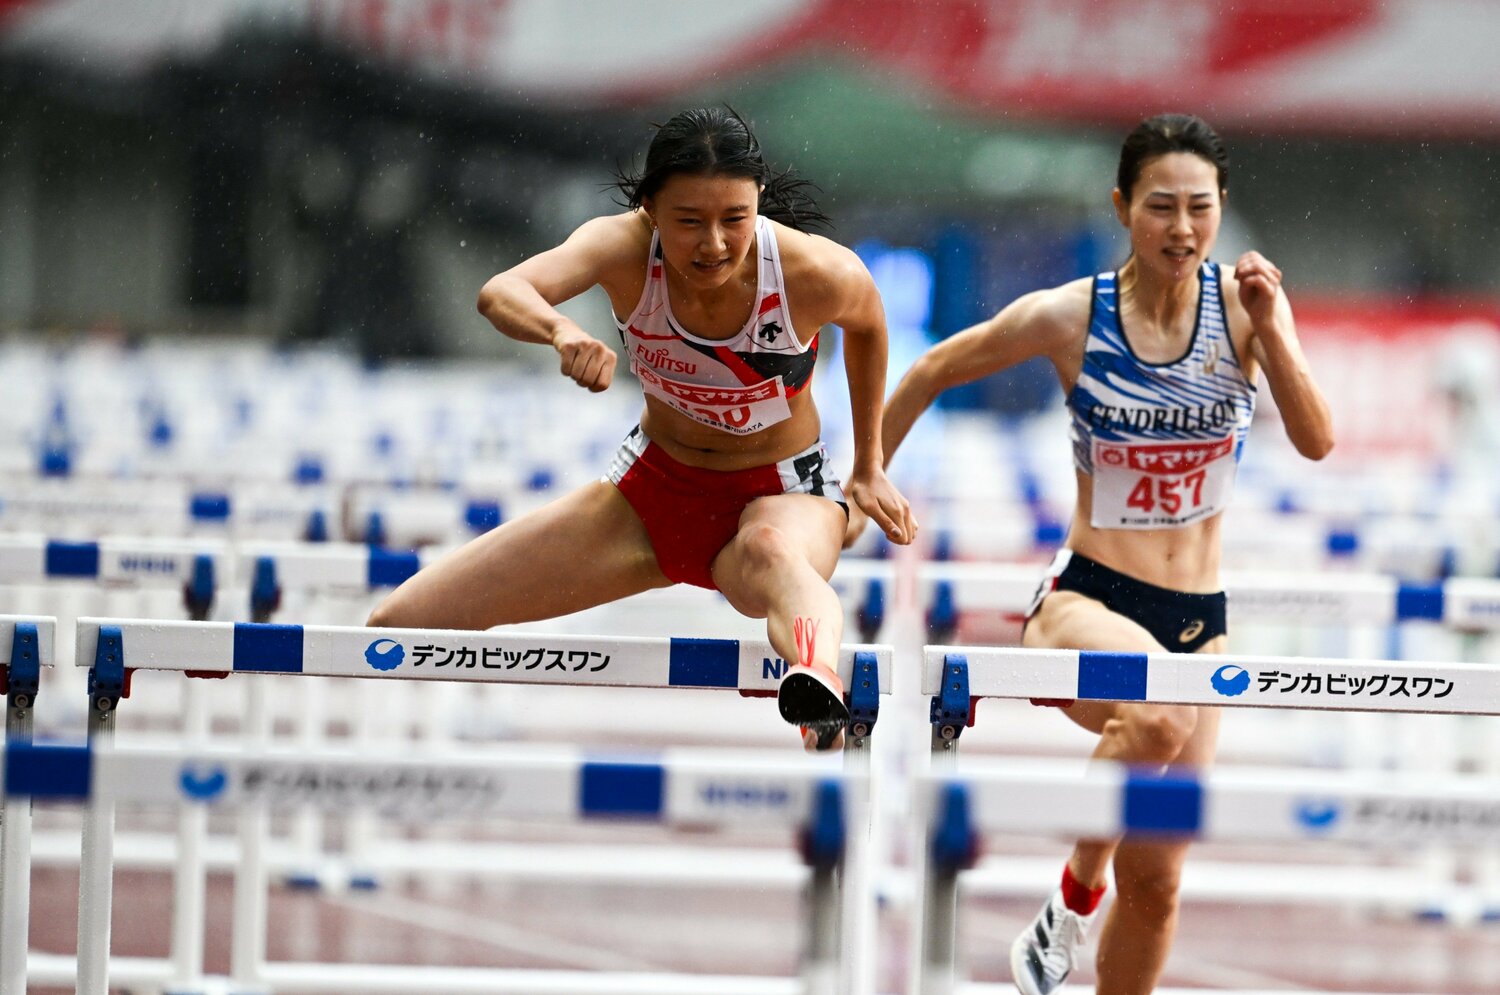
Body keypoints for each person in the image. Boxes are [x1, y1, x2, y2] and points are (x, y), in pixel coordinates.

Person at [848, 114, 1334, 994]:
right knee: (1155, 717)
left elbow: (1316, 438)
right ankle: (1068, 906)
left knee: (1158, 882)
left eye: (1200, 207)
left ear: (1222, 209)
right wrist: (863, 479)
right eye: (1160, 208)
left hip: (1200, 623)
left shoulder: (1249, 308)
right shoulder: (1071, 316)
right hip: (1085, 602)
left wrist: (1277, 334)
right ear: (1121, 207)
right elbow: (924, 372)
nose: (1181, 229)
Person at [367, 106, 917, 750]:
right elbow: (501, 290)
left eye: (734, 220)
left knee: (774, 554)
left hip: (780, 494)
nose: (713, 244)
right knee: (397, 623)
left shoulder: (812, 272)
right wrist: (561, 330)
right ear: (651, 210)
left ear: (758, 203)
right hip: (648, 494)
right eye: (689, 222)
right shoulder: (621, 248)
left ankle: (815, 684)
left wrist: (869, 465)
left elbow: (870, 322)